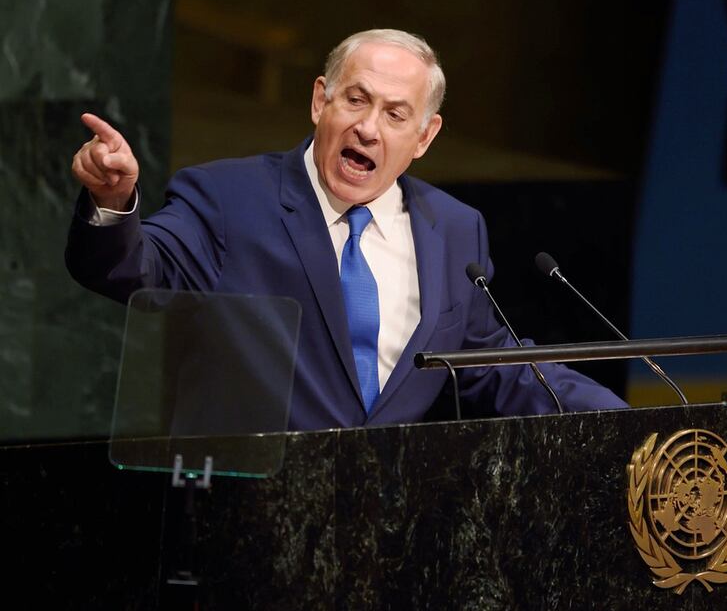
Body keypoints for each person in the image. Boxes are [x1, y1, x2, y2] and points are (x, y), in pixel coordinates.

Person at [66, 28, 628, 431]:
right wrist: (114, 200)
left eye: (394, 114)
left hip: (390, 541)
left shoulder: (455, 229)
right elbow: (135, 267)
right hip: (252, 528)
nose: (367, 127)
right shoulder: (228, 198)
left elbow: (493, 367)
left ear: (425, 137)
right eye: (356, 100)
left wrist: (637, 424)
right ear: (320, 100)